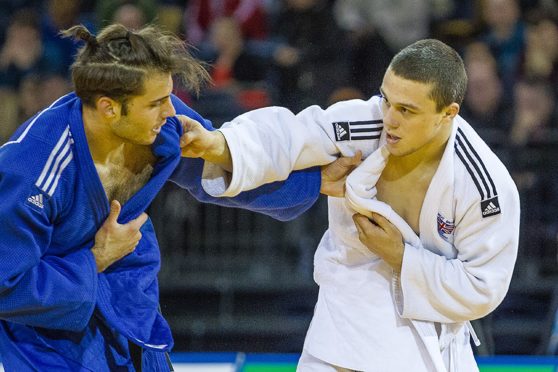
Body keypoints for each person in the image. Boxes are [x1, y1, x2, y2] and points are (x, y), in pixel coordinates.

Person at [0, 23, 334, 371]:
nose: (171, 112)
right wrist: (96, 258)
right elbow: (5, 284)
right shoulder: (30, 168)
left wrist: (314, 182)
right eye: (157, 103)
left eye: (169, 98)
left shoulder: (159, 122)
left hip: (127, 296)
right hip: (46, 333)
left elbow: (220, 173)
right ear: (109, 108)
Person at [182, 39, 521, 371]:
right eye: (387, 100)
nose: (390, 118)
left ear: (447, 114)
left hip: (426, 332)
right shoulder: (365, 123)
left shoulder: (484, 185)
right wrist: (219, 143)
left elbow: (483, 287)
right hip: (344, 311)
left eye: (407, 110)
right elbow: (289, 136)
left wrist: (402, 258)